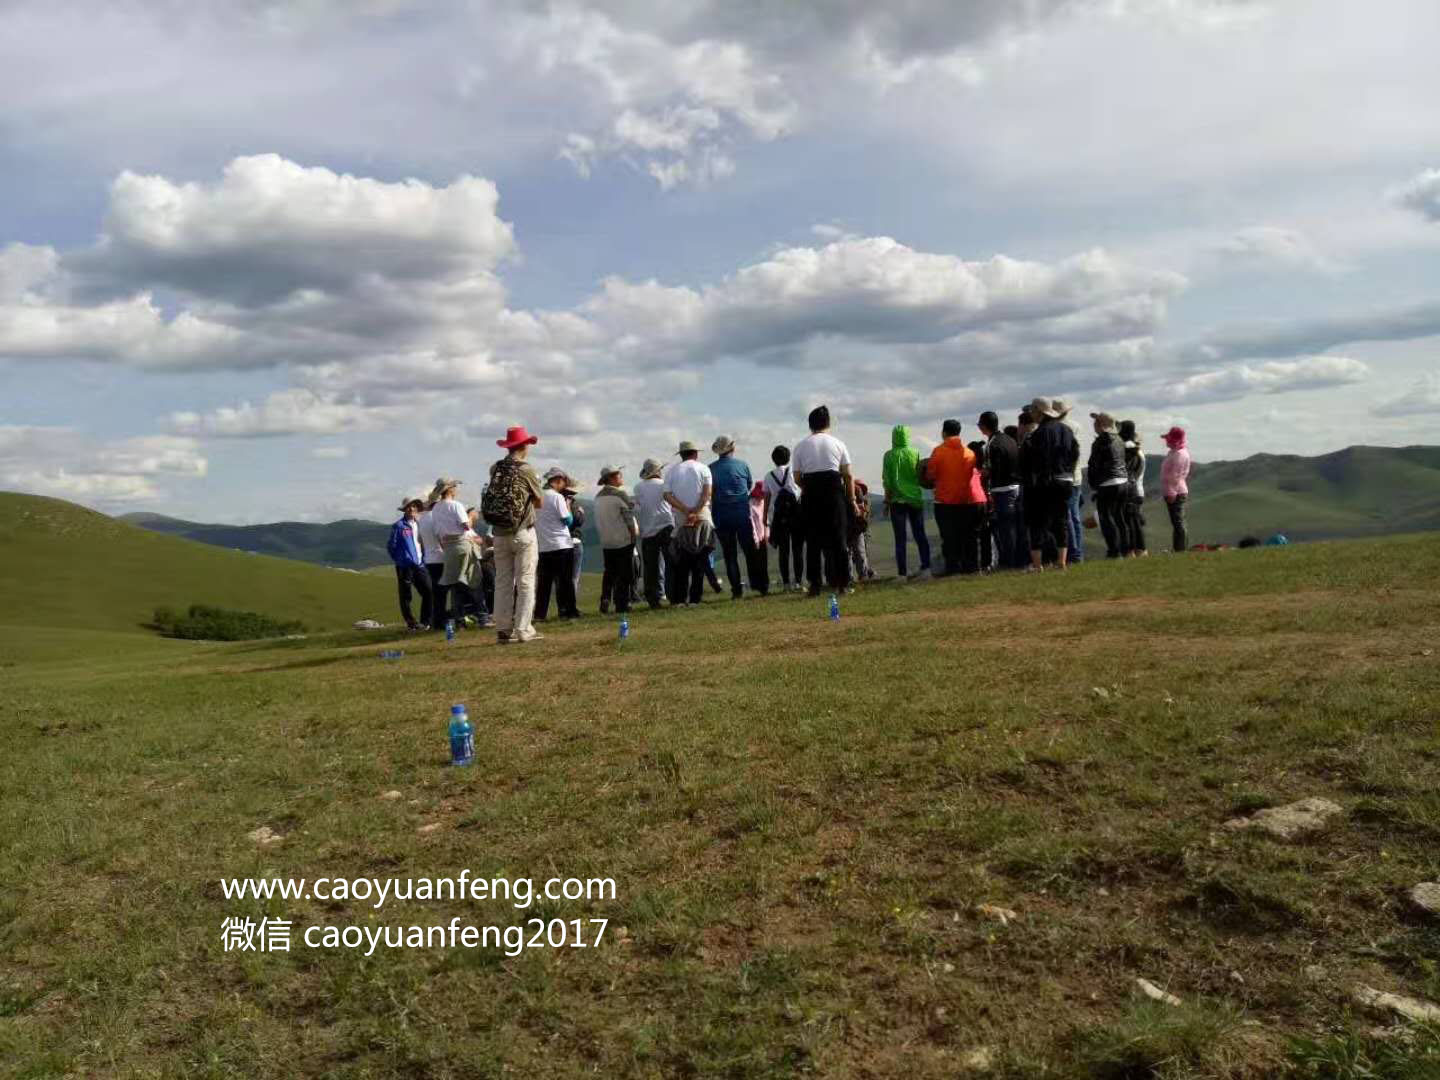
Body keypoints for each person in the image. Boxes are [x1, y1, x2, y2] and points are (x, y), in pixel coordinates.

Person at [484, 426, 545, 644]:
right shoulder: (526, 470)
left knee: (503, 581)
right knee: (526, 581)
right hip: (522, 531)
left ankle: (502, 628)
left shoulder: (495, 468)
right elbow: (539, 501)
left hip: (499, 532)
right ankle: (523, 629)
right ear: (524, 446)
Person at [792, 405, 855, 596]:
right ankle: (842, 583)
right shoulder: (838, 443)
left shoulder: (800, 446)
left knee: (813, 541)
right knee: (839, 540)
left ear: (810, 425)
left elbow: (796, 478)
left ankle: (815, 585)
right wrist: (851, 500)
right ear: (829, 423)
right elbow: (848, 476)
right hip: (834, 492)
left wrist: (808, 488)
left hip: (811, 493)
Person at [1019, 397, 1078, 571]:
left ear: (1039, 411)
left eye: (1032, 410)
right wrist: (1068, 471)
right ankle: (1062, 562)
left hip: (1045, 483)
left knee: (1037, 522)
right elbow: (1074, 453)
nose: (1030, 414)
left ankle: (1038, 565)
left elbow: (1032, 461)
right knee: (1061, 521)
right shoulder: (1067, 431)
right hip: (1065, 480)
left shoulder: (1038, 434)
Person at [709, 436, 768, 599]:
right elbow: (748, 485)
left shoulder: (711, 469)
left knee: (729, 554)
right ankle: (758, 585)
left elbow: (710, 492)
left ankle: (736, 590)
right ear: (732, 448)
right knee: (750, 551)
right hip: (742, 514)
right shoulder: (743, 465)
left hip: (721, 514)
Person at [928, 419, 983, 575]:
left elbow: (930, 475)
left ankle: (952, 568)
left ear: (944, 432)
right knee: (966, 536)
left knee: (949, 538)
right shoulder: (969, 453)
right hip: (964, 500)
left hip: (943, 501)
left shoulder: (938, 451)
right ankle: (970, 567)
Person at [663, 440, 715, 606]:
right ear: (695, 453)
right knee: (700, 557)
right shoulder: (704, 468)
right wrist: (696, 510)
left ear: (681, 455)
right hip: (703, 516)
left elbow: (667, 495)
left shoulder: (672, 472)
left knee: (683, 559)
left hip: (681, 517)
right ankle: (695, 598)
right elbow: (707, 493)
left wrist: (686, 511)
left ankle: (680, 598)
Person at [881, 424, 932, 581]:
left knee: (900, 538)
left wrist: (887, 502)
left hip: (897, 501)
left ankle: (902, 574)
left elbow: (888, 481)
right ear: (907, 437)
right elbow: (920, 476)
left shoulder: (889, 456)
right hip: (915, 499)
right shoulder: (915, 453)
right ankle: (926, 569)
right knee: (920, 535)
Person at [978, 411, 1025, 570]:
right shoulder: (1009, 439)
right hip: (1017, 487)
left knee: (1006, 529)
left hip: (1003, 489)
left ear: (984, 426)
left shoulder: (993, 444)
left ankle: (1008, 562)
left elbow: (993, 469)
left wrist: (983, 473)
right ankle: (1020, 559)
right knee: (1017, 527)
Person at [431, 477, 479, 631]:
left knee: (454, 584)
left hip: (448, 547)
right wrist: (472, 517)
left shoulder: (436, 508)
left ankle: (458, 618)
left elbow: (438, 532)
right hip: (461, 544)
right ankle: (481, 614)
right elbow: (466, 526)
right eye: (456, 486)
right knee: (470, 581)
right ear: (450, 489)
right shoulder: (456, 505)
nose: (457, 489)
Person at [534, 467, 580, 621]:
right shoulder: (557, 497)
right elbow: (568, 521)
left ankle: (540, 614)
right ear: (558, 480)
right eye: (563, 483)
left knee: (544, 583)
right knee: (565, 581)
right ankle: (569, 611)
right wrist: (567, 504)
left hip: (543, 545)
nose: (564, 486)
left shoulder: (537, 496)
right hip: (561, 545)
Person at [594, 465, 638, 615]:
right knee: (625, 573)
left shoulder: (598, 497)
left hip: (606, 540)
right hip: (622, 539)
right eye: (619, 475)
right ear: (612, 478)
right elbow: (629, 517)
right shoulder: (620, 495)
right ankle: (622, 604)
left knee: (609, 572)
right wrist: (633, 534)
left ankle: (605, 598)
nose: (622, 477)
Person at [634, 458, 676, 609]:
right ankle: (673, 595)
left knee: (650, 567)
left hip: (648, 530)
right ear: (658, 471)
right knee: (671, 562)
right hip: (666, 525)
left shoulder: (638, 488)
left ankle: (653, 599)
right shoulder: (664, 484)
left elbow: (638, 509)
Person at [762, 445, 805, 592]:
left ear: (773, 460)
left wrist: (764, 516)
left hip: (778, 517)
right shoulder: (793, 472)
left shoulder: (768, 476)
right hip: (796, 515)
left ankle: (786, 583)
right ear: (788, 458)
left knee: (783, 551)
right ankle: (798, 582)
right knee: (797, 549)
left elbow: (766, 497)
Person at [387, 497, 433, 630]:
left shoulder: (419, 524)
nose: (412, 509)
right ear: (404, 510)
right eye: (408, 507)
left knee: (428, 591)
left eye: (414, 506)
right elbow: (391, 546)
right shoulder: (399, 526)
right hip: (405, 567)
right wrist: (401, 560)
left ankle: (425, 622)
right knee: (406, 596)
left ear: (417, 508)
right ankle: (411, 623)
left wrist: (423, 558)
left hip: (420, 565)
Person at [1088, 412, 1130, 558]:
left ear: (1101, 425)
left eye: (1096, 422)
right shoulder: (1119, 439)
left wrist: (1094, 485)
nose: (1093, 425)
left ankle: (1113, 551)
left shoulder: (1101, 440)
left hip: (1107, 482)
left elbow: (1094, 465)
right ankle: (1126, 549)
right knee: (1119, 516)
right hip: (1123, 481)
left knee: (1106, 517)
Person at [1053, 398, 1087, 565]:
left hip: (1064, 476)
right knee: (1075, 516)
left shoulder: (1058, 429)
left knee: (1067, 517)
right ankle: (1078, 553)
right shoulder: (1076, 426)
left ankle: (1073, 553)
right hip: (1077, 475)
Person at [416, 490, 446, 628]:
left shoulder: (422, 519)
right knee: (443, 592)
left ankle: (435, 620)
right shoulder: (436, 517)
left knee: (436, 591)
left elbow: (419, 540)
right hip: (440, 557)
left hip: (429, 558)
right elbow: (441, 537)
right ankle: (441, 621)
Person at [1119, 420, 1148, 557]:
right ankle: (1140, 550)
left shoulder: (1127, 449)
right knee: (1134, 522)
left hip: (1129, 489)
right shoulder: (1139, 451)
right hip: (1137, 489)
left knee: (1129, 522)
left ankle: (1133, 550)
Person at [1161, 426, 1191, 554]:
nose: (1166, 441)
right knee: (1177, 521)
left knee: (1178, 521)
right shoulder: (1175, 452)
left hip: (1176, 491)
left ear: (1175, 440)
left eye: (1169, 439)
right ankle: (1179, 548)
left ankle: (1180, 549)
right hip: (1176, 490)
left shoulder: (1179, 454)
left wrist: (1171, 492)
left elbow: (1175, 475)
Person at [564, 484, 586, 603]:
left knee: (562, 579)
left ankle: (564, 606)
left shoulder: (556, 503)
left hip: (559, 544)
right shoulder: (574, 505)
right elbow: (578, 522)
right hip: (574, 542)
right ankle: (571, 606)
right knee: (574, 577)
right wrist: (581, 513)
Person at [848, 478, 874, 581]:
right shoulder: (858, 492)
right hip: (857, 527)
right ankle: (863, 574)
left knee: (853, 552)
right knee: (859, 551)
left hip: (854, 526)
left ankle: (854, 576)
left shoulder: (853, 490)